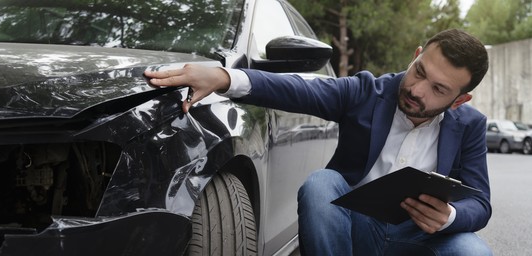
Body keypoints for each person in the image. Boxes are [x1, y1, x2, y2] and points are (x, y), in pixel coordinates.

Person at [144, 28, 492, 255]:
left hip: (417, 238)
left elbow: (480, 202)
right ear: (415, 55)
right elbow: (299, 89)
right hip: (355, 230)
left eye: (439, 89)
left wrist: (449, 216)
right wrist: (223, 77)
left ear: (460, 100)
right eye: (419, 71)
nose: (417, 90)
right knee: (322, 184)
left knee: (474, 252)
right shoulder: (367, 92)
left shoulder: (470, 126)